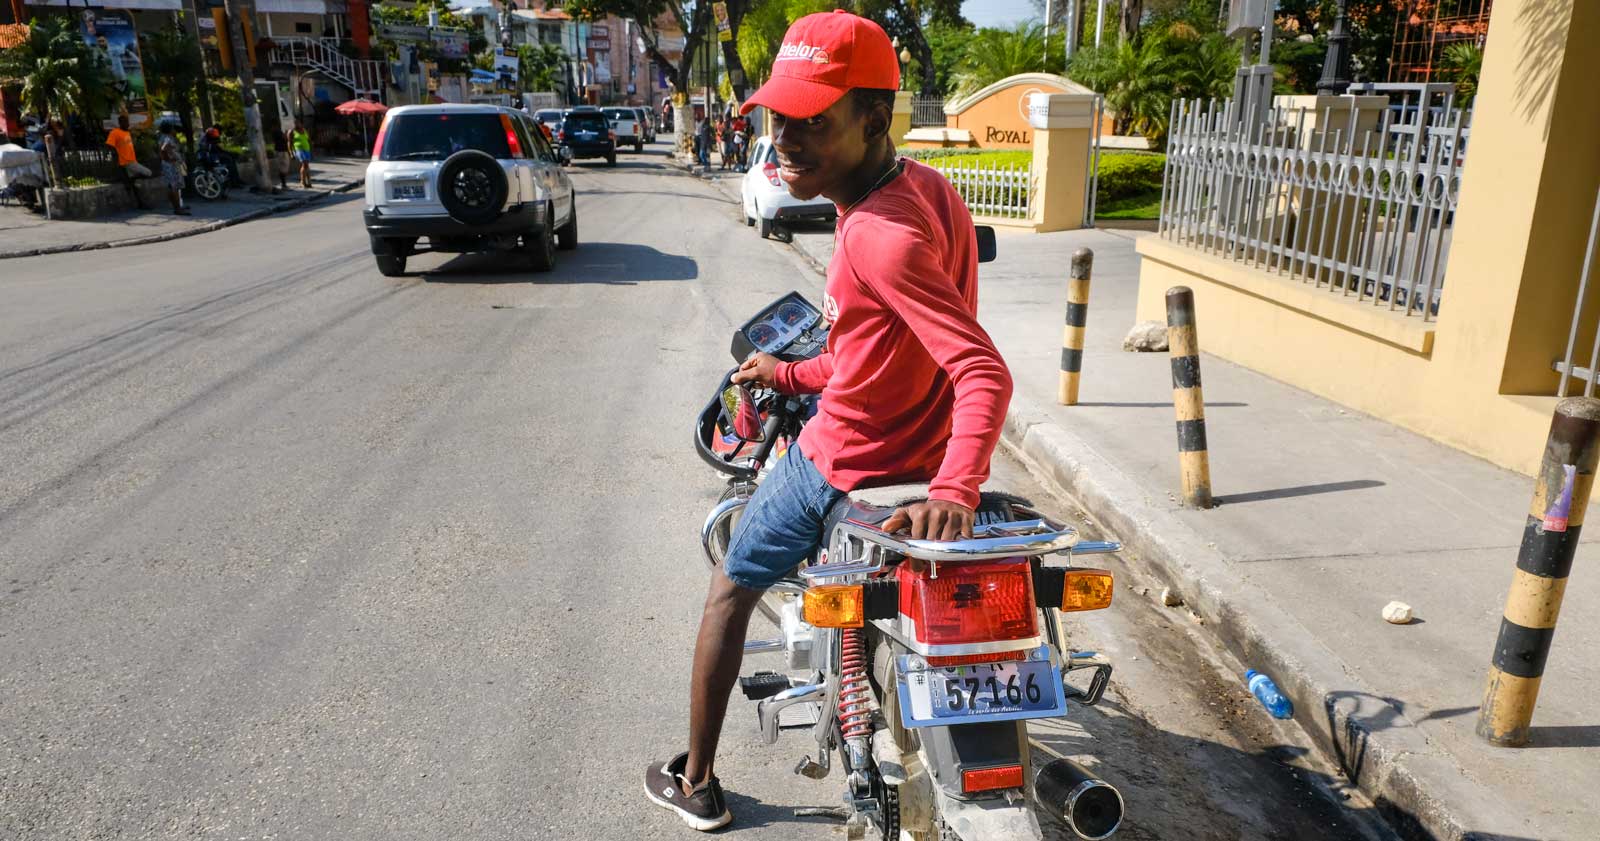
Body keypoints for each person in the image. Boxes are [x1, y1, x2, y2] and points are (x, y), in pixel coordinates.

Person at [643, 10, 1012, 832]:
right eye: (780, 118)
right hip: (903, 452)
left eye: (813, 120)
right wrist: (791, 370)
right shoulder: (923, 191)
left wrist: (959, 483)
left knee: (727, 593)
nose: (785, 140)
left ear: (873, 120)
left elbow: (983, 368)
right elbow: (871, 350)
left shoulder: (875, 235)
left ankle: (697, 780)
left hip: (844, 462)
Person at [105, 113, 152, 210]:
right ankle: (133, 179)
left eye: (127, 122)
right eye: (124, 122)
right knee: (148, 173)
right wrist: (116, 156)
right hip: (127, 162)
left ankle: (141, 203)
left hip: (132, 160)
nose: (127, 124)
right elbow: (109, 145)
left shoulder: (127, 132)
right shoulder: (115, 132)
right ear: (120, 123)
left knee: (135, 186)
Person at [155, 119, 191, 215]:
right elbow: (162, 150)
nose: (174, 130)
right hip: (171, 165)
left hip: (170, 165)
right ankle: (178, 209)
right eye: (172, 128)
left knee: (173, 187)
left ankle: (177, 206)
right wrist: (169, 160)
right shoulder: (167, 138)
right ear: (169, 129)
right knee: (174, 187)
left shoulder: (164, 137)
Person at [288, 119, 312, 188]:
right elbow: (289, 143)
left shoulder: (304, 130)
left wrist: (312, 150)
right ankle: (302, 181)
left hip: (307, 149)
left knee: (306, 165)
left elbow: (308, 140)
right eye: (295, 123)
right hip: (299, 149)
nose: (296, 125)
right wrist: (291, 153)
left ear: (301, 123)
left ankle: (309, 181)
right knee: (304, 164)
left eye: (298, 123)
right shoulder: (291, 132)